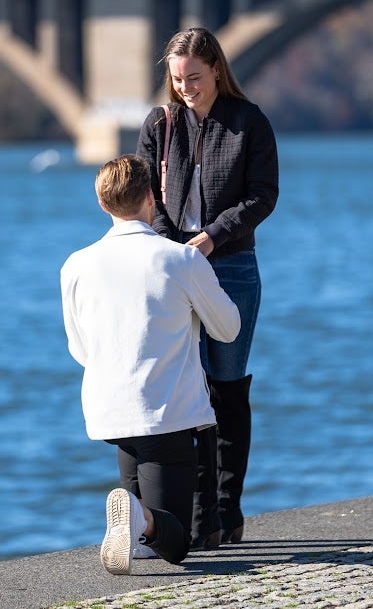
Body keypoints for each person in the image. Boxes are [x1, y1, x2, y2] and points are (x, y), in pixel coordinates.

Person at [61, 154, 241, 575]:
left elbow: (79, 348)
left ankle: (136, 523)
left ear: (103, 205)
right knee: (174, 544)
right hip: (165, 414)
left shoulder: (75, 265)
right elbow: (228, 328)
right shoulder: (180, 259)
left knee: (142, 540)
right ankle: (142, 519)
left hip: (109, 412)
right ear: (151, 198)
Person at [136, 27, 279, 549]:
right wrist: (173, 245)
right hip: (174, 268)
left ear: (217, 69)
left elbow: (264, 197)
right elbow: (145, 193)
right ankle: (199, 520)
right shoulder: (160, 123)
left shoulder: (249, 122)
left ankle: (227, 509)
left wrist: (213, 238)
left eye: (194, 77)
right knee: (187, 390)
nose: (186, 88)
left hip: (232, 268)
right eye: (177, 79)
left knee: (227, 387)